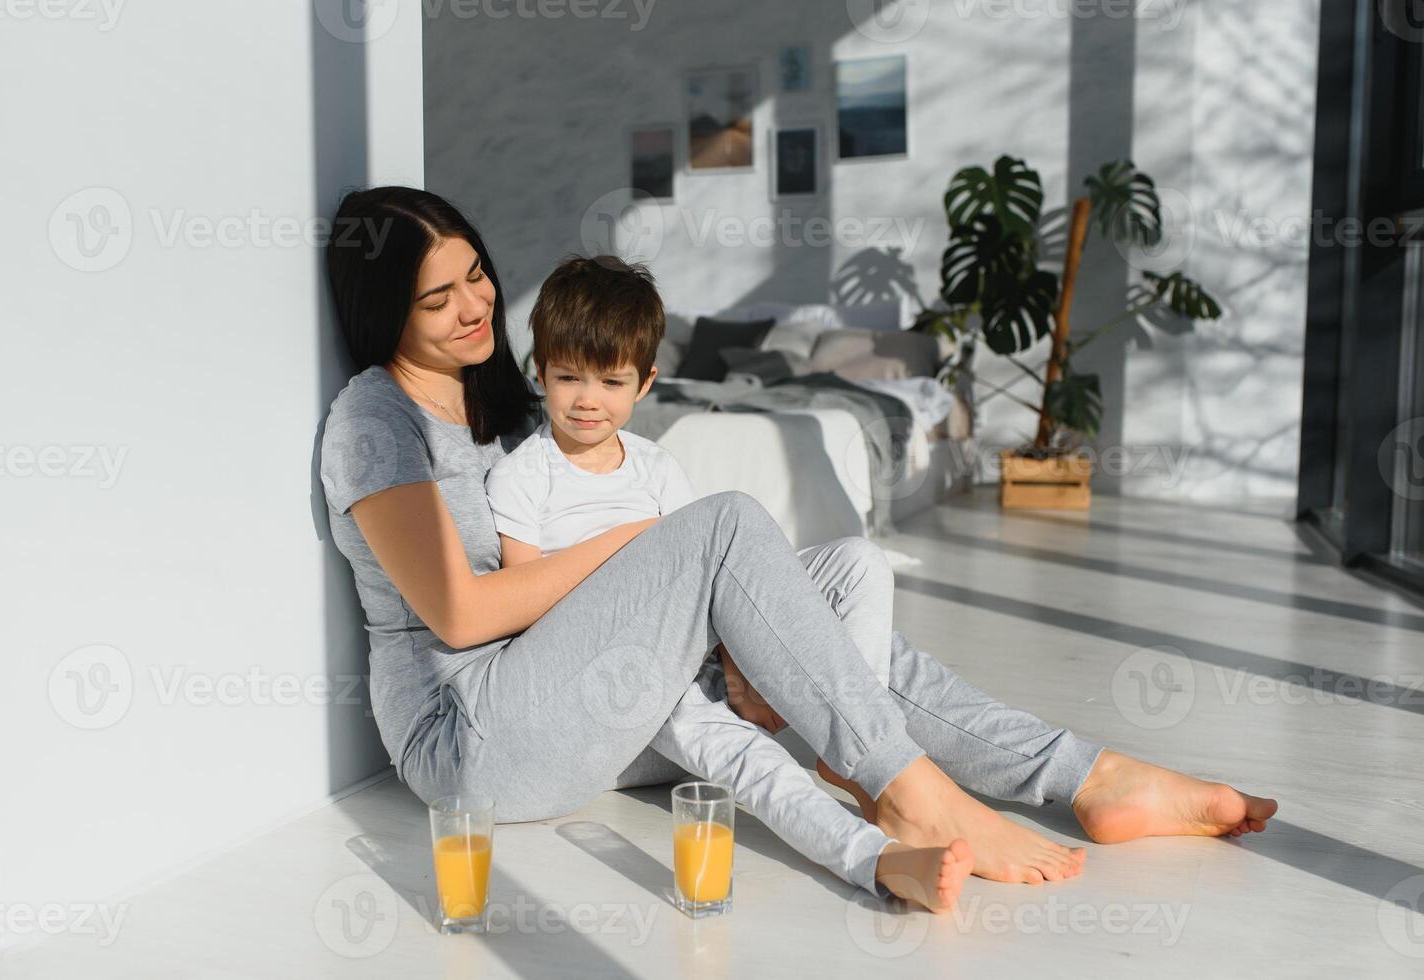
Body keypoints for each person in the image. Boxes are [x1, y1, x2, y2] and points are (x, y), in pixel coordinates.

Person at [317, 186, 1277, 909]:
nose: (474, 305)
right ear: (385, 314)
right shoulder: (376, 420)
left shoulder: (505, 403)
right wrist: (653, 547)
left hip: (582, 687)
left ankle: (1091, 777)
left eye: (477, 273)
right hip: (476, 731)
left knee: (811, 614)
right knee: (726, 529)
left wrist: (697, 598)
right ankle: (905, 789)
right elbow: (459, 612)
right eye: (436, 298)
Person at [480, 255, 968, 910]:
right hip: (626, 674)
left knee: (861, 562)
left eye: (611, 381)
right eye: (567, 378)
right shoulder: (524, 475)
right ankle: (876, 860)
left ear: (646, 383)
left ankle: (854, 747)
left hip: (697, 647)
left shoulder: (655, 467)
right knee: (748, 759)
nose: (588, 399)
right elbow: (525, 603)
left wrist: (737, 663)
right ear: (539, 373)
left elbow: (712, 575)